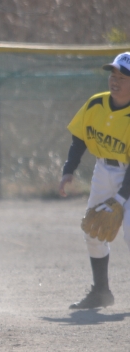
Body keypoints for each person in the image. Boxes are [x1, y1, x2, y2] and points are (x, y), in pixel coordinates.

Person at [59, 52, 130, 309]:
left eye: (123, 77)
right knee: (93, 230)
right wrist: (69, 170)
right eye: (113, 75)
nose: (115, 81)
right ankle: (101, 293)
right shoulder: (95, 103)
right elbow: (79, 138)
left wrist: (120, 199)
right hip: (103, 171)